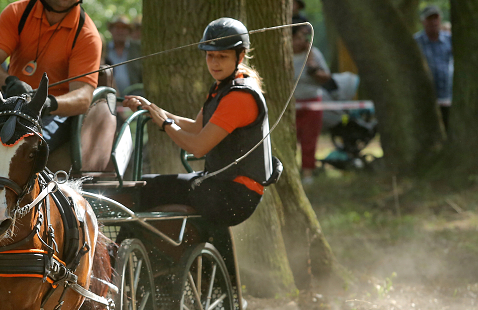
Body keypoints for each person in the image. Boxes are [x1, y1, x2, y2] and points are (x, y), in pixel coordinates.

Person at [122, 18, 278, 227]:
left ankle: (124, 247)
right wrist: (152, 109)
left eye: (222, 56)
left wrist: (165, 124)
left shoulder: (239, 97)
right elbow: (197, 127)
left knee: (143, 189)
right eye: (210, 56)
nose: (214, 63)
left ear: (240, 56)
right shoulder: (223, 87)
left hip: (234, 195)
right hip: (219, 184)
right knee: (145, 184)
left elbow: (197, 147)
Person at [0, 0, 115, 172]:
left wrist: (46, 102)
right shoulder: (16, 13)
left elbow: (83, 97)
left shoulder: (88, 35)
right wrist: (9, 82)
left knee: (22, 153)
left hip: (54, 114)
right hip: (9, 104)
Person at [292, 22, 331, 184]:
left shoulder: (314, 54)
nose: (301, 41)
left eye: (304, 37)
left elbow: (326, 77)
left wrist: (312, 67)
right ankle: (290, 173)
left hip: (312, 103)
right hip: (290, 105)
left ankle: (308, 174)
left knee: (309, 140)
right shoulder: (282, 55)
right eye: (298, 37)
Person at [414, 4, 452, 129]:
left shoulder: (450, 40)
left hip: (448, 98)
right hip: (426, 101)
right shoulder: (416, 42)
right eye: (430, 18)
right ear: (423, 21)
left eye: (436, 18)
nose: (434, 22)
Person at [105, 15, 142, 96]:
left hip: (135, 98)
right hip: (108, 98)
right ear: (111, 30)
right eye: (117, 28)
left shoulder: (138, 49)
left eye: (124, 28)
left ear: (129, 31)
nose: (120, 31)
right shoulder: (104, 49)